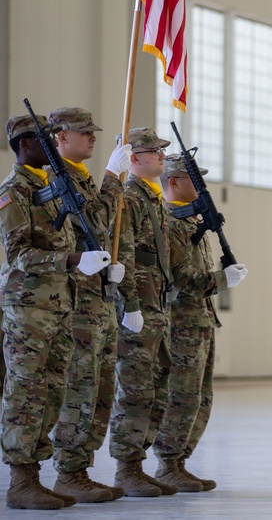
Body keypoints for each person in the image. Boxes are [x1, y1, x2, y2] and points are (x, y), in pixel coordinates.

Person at [1, 114, 112, 510]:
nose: (50, 147)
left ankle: (38, 476)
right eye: (43, 141)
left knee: (52, 391)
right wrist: (70, 260)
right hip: (28, 306)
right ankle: (20, 480)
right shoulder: (13, 191)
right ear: (26, 145)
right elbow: (18, 255)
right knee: (26, 390)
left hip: (59, 304)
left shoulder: (53, 185)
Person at [47, 107, 131, 504]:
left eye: (93, 132)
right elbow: (95, 220)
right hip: (77, 304)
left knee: (101, 390)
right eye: (83, 133)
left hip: (97, 300)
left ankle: (80, 469)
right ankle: (68, 471)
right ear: (60, 137)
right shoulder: (53, 179)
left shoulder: (78, 177)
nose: (92, 138)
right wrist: (113, 178)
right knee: (79, 389)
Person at [152, 154, 248, 492]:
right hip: (181, 323)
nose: (201, 186)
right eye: (194, 179)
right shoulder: (169, 224)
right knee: (182, 396)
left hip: (200, 320)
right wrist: (222, 280)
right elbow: (182, 278)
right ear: (173, 182)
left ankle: (178, 461)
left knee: (200, 397)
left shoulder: (192, 224)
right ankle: (167, 463)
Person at [108, 127, 179, 497]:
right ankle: (126, 467)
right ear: (134, 159)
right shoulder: (128, 198)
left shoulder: (152, 198)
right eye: (154, 151)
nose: (162, 156)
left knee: (155, 390)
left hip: (157, 307)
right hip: (139, 308)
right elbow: (125, 256)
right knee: (135, 391)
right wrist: (130, 305)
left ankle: (138, 460)